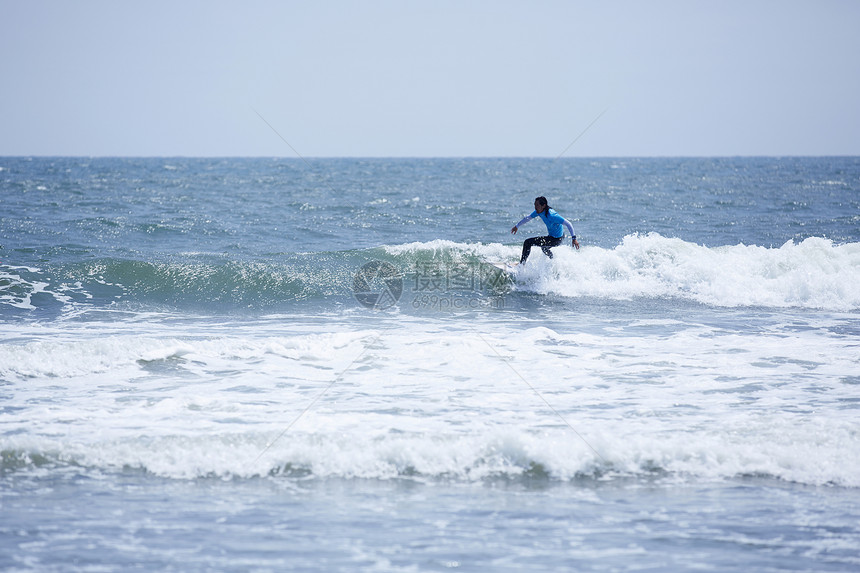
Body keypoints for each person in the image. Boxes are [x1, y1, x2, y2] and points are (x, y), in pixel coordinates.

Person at [511, 196, 579, 263]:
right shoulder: (539, 212)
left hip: (557, 239)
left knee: (528, 242)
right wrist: (517, 226)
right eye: (534, 205)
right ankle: (553, 261)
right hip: (554, 236)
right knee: (544, 248)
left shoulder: (552, 215)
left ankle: (522, 265)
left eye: (537, 205)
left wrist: (574, 238)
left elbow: (568, 223)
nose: (535, 207)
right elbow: (528, 218)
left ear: (543, 205)